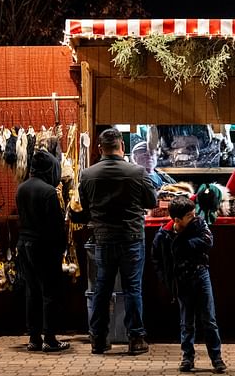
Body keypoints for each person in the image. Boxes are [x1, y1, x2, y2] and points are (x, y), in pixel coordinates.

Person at [78, 127, 158, 355]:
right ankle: (136, 339)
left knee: (102, 290)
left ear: (99, 148)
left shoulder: (87, 175)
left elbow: (83, 209)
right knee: (133, 289)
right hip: (131, 237)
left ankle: (98, 340)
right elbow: (151, 201)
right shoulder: (137, 172)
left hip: (102, 239)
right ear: (122, 146)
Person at [151, 196, 227, 373]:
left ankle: (216, 358)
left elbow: (208, 241)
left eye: (194, 214)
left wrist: (183, 244)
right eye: (189, 216)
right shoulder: (163, 235)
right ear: (177, 219)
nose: (194, 217)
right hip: (181, 281)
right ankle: (187, 358)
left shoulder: (198, 224)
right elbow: (156, 259)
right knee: (187, 322)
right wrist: (166, 279)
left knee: (209, 320)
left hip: (201, 275)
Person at [15, 149, 71, 352]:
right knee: (50, 292)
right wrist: (62, 247)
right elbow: (55, 225)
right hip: (44, 247)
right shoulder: (48, 191)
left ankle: (34, 338)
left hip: (25, 245)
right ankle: (50, 338)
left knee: (32, 291)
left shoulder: (21, 188)